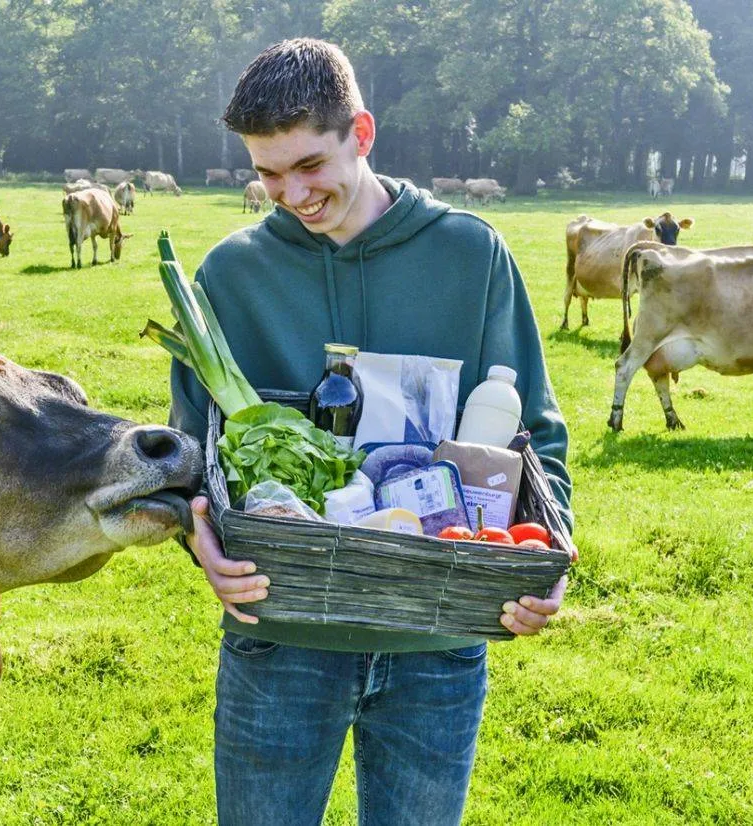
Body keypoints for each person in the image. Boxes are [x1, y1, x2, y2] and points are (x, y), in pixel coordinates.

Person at [168, 39, 573, 826]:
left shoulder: (470, 253)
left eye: (308, 165)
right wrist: (201, 545)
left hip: (436, 643)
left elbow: (538, 437)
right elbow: (197, 459)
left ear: (362, 132)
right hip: (280, 637)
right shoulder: (230, 275)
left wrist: (542, 564)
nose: (289, 192)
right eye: (267, 172)